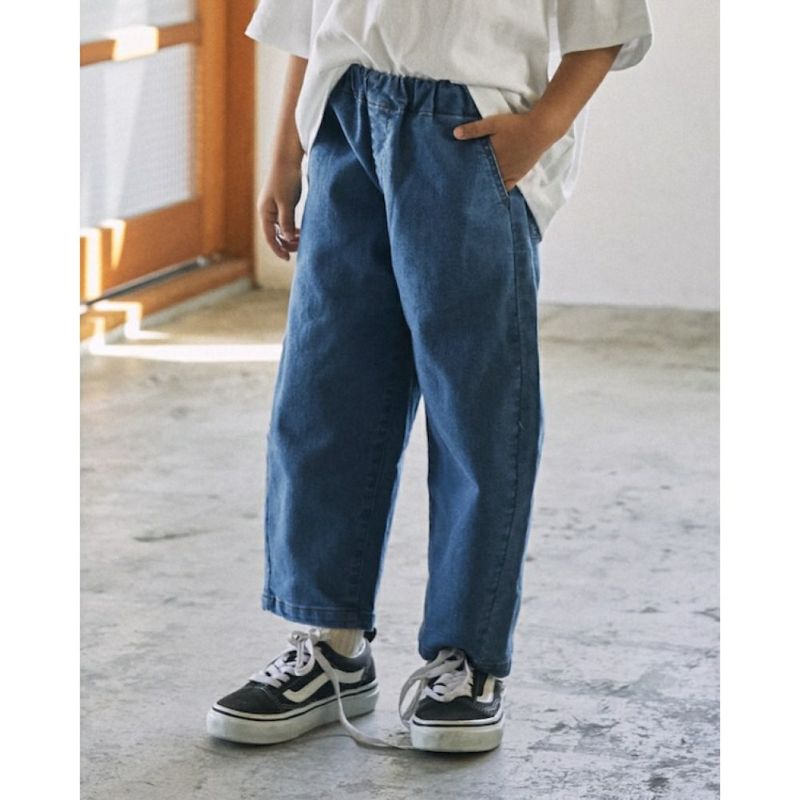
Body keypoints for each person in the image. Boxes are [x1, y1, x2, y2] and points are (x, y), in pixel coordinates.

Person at [207, 0, 653, 752]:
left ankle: (467, 660)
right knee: (323, 396)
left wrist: (537, 133)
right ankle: (330, 644)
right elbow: (306, 17)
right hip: (344, 118)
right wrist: (286, 152)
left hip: (467, 130)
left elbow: (605, 23)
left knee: (476, 412)